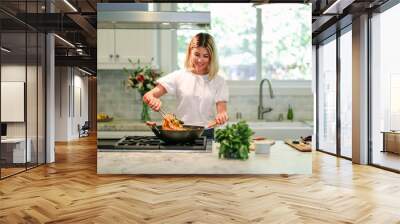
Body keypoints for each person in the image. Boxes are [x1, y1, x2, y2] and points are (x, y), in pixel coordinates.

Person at [143, 33, 229, 130]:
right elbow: (148, 96)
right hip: (180, 131)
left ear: (212, 57)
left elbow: (222, 112)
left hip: (206, 133)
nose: (200, 60)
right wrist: (153, 100)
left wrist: (222, 116)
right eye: (196, 54)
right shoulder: (179, 75)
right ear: (190, 52)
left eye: (205, 56)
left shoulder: (219, 81)